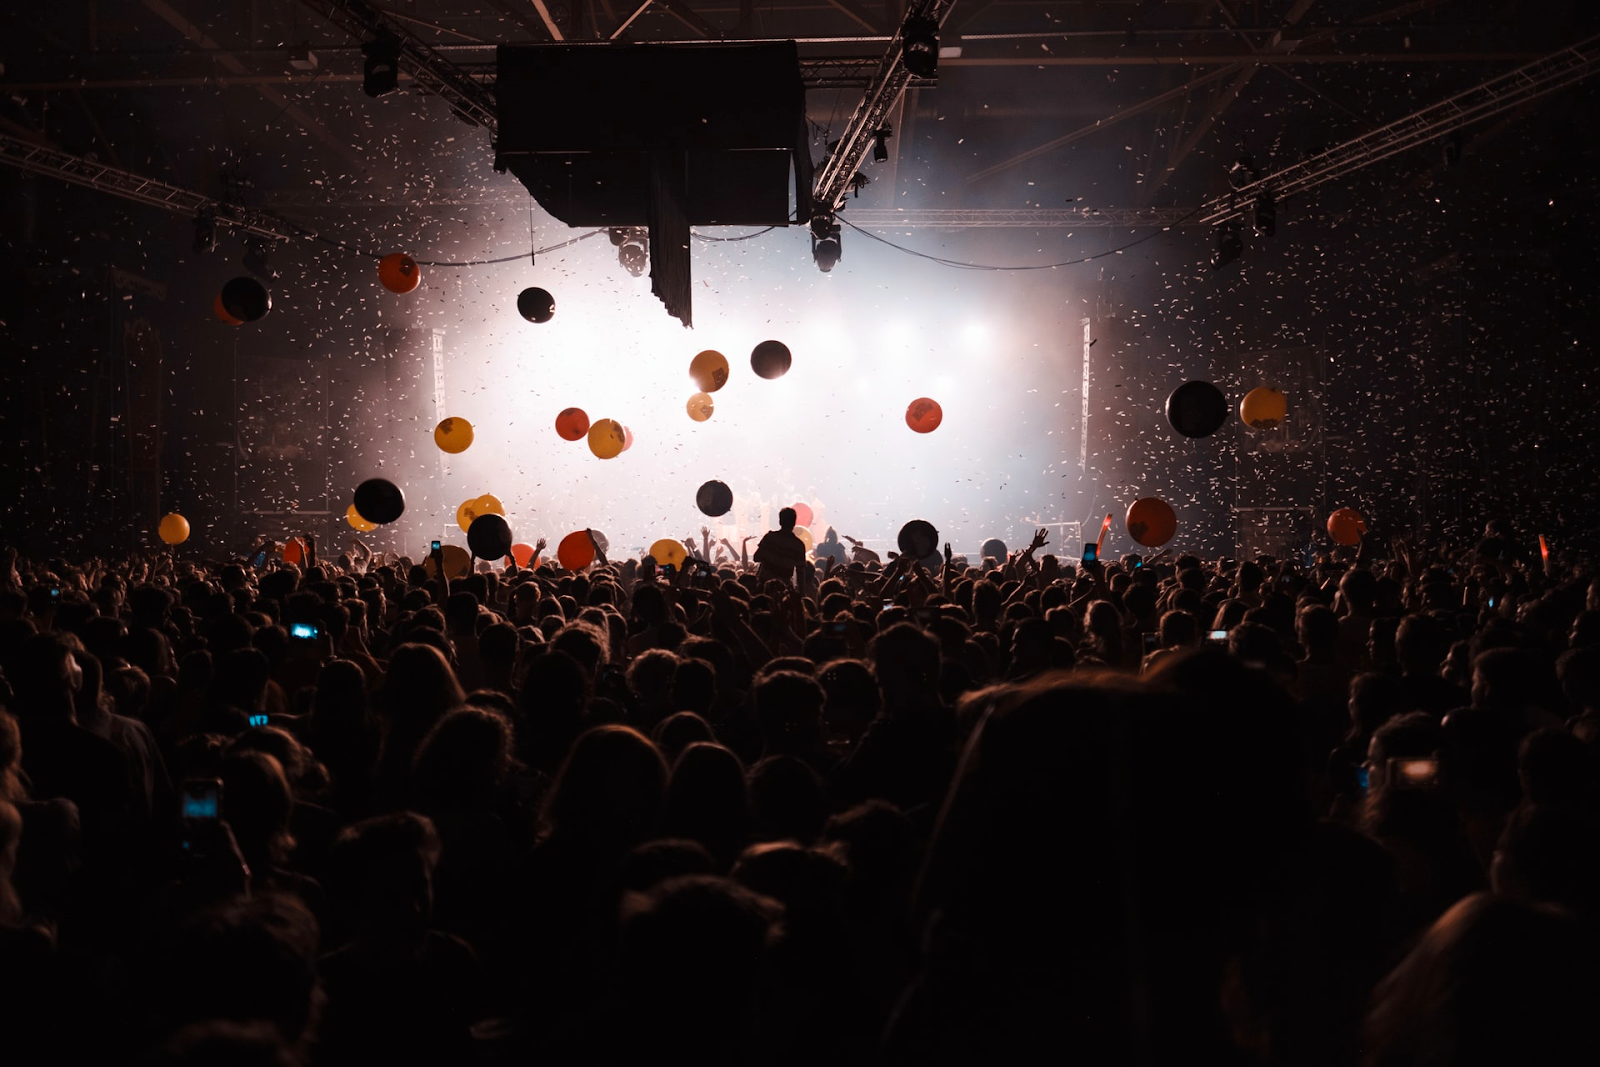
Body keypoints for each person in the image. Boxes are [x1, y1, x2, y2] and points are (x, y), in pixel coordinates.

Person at [754, 508, 810, 593]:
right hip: (783, 590)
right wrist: (802, 593)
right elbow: (800, 572)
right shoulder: (799, 545)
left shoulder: (769, 538)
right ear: (794, 523)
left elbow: (756, 558)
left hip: (763, 587)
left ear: (780, 521)